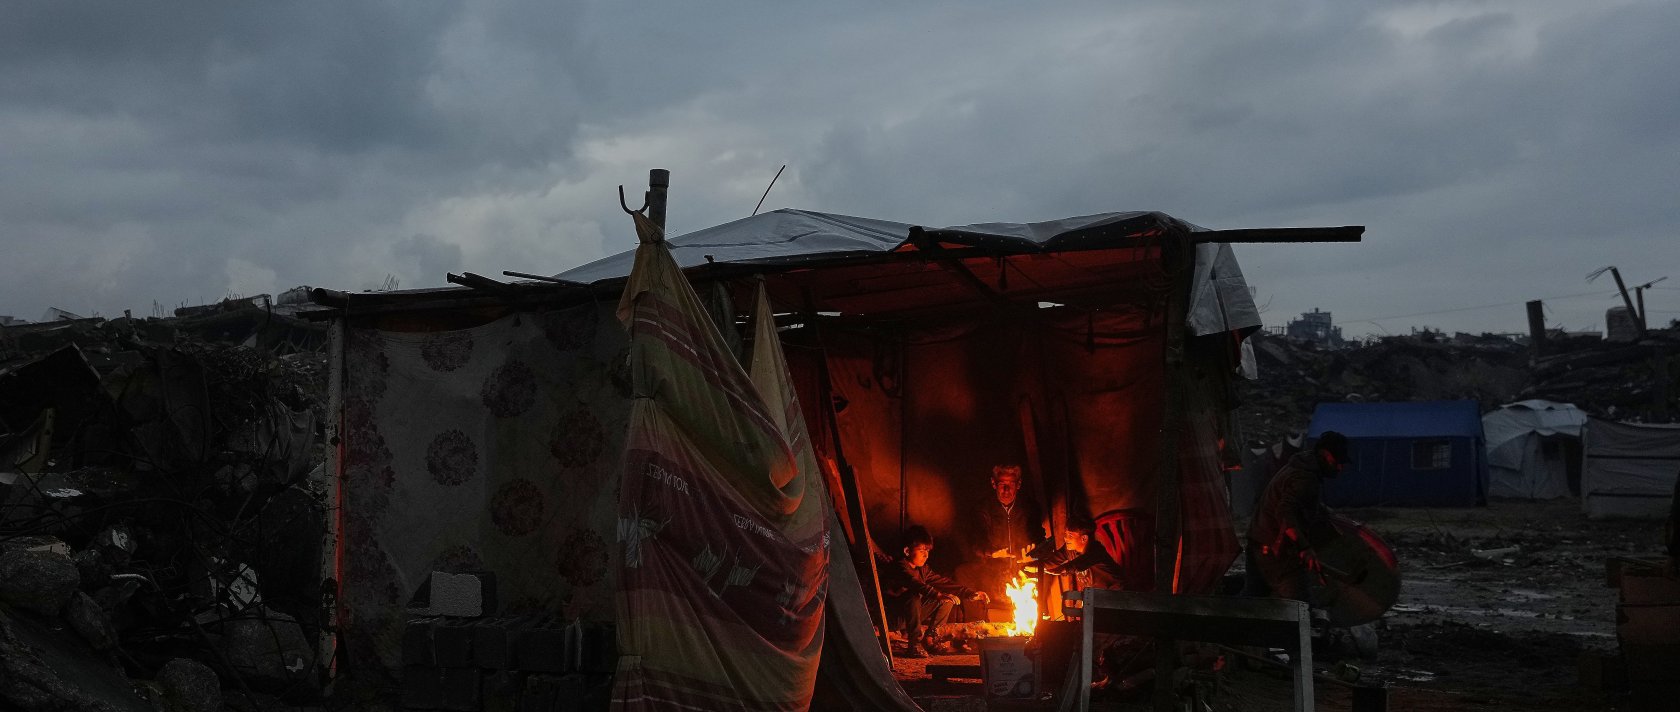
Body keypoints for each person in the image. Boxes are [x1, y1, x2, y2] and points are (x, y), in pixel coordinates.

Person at [1244, 431, 1349, 602]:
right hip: (1274, 551)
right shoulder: (1305, 477)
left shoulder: (1300, 465)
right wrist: (1304, 547)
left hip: (1258, 541)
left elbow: (1299, 502)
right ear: (1325, 454)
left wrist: (1324, 514)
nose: (1339, 467)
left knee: (1254, 599)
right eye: (1337, 462)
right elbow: (1284, 512)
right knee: (1299, 605)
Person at [884, 525, 989, 658]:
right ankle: (914, 645)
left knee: (948, 599)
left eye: (927, 550)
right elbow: (914, 583)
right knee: (913, 595)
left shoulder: (923, 569)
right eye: (921, 550)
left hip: (911, 616)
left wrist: (970, 593)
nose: (926, 555)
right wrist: (937, 594)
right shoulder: (899, 567)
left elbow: (944, 583)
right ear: (907, 551)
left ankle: (932, 639)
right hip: (893, 619)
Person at [959, 464, 1048, 607]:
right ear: (993, 484)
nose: (1006, 490)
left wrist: (1034, 553)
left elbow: (1039, 537)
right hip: (992, 574)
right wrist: (991, 553)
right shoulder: (982, 509)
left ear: (1018, 485)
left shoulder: (1030, 507)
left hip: (1023, 572)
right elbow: (974, 542)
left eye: (1010, 485)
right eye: (1002, 484)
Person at [1024, 516, 1126, 593]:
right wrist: (1030, 565)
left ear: (1084, 538)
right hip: (1097, 597)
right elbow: (1052, 561)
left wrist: (1059, 570)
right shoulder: (1069, 550)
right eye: (1065, 534)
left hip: (1117, 595)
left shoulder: (1096, 551)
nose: (1066, 538)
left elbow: (1076, 565)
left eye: (1070, 535)